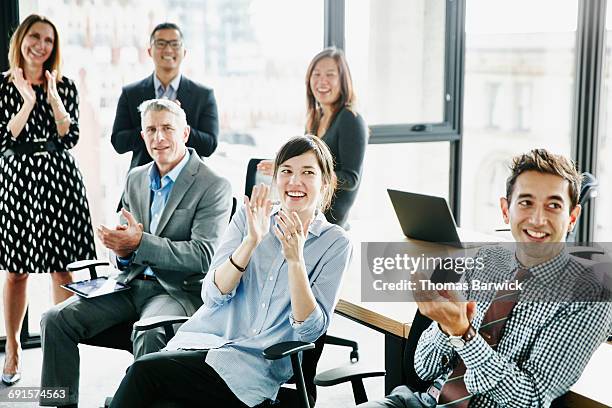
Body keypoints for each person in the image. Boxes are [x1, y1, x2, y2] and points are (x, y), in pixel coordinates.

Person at [108, 135, 352, 408]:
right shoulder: (248, 218)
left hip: (254, 364)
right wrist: (251, 242)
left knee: (143, 373)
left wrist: (295, 260)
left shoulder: (335, 242)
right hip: (203, 344)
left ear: (326, 183)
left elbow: (310, 331)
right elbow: (212, 295)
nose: (295, 182)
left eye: (308, 172)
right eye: (286, 171)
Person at [360, 149, 612, 407]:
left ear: (572, 217)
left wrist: (464, 334)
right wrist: (446, 326)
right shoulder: (481, 262)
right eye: (526, 202)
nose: (537, 219)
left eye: (553, 205)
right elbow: (423, 368)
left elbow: (529, 400)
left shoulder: (590, 296)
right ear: (505, 210)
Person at [39, 99, 232, 407]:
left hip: (176, 290)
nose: (159, 138)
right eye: (151, 130)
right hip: (128, 283)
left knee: (149, 333)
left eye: (167, 128)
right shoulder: (136, 177)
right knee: (54, 319)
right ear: (143, 136)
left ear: (185, 133)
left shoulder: (214, 185)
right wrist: (122, 249)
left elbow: (204, 256)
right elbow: (126, 247)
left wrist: (139, 243)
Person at [0, 14, 96, 386]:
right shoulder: (3, 86)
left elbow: (69, 138)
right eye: (35, 37)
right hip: (18, 179)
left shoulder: (65, 85)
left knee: (62, 268)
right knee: (16, 270)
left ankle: (58, 346)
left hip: (59, 177)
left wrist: (53, 97)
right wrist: (26, 101)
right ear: (21, 39)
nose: (41, 45)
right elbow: (4, 141)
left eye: (49, 40)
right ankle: (13, 348)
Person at [258, 47, 368, 229]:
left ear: (343, 80)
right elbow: (305, 161)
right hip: (309, 207)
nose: (322, 81)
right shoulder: (315, 117)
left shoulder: (350, 118)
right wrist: (281, 166)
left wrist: (311, 175)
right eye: (316, 75)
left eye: (330, 75)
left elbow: (350, 179)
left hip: (328, 218)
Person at [111, 22, 218, 170]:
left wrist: (176, 122)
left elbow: (209, 145)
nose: (168, 49)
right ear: (149, 51)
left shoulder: (203, 95)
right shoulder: (131, 93)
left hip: (190, 183)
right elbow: (118, 142)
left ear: (184, 52)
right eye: (161, 43)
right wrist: (152, 123)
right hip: (143, 182)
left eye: (175, 44)